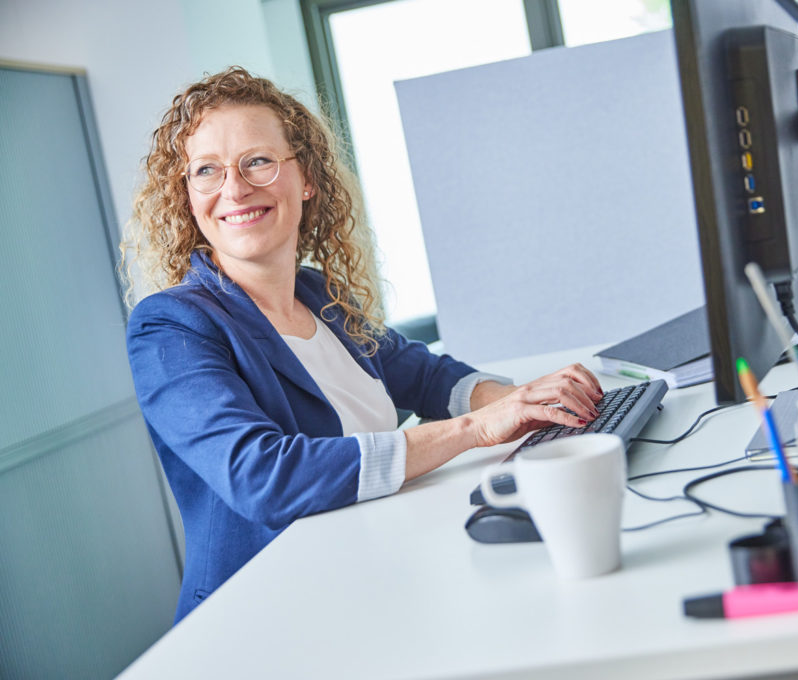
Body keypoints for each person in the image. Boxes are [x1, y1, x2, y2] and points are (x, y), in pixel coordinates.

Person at [122, 66, 603, 623]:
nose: (234, 188)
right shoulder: (171, 327)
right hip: (265, 619)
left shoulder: (316, 293)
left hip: (371, 580)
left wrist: (527, 400)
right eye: (207, 170)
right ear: (187, 197)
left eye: (257, 160)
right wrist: (475, 430)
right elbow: (264, 477)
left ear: (306, 179)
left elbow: (428, 378)